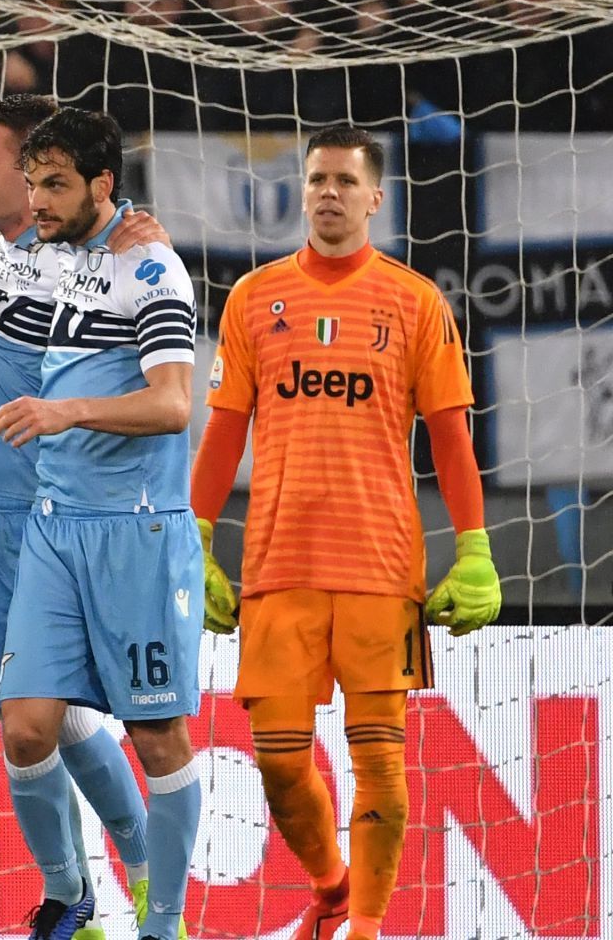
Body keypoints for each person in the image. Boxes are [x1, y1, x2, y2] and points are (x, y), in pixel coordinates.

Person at [192, 124, 499, 940]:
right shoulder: (256, 299)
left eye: (343, 181)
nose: (328, 192)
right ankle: (330, 884)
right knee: (282, 766)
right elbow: (223, 433)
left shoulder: (415, 301)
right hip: (276, 567)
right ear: (305, 190)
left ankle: (363, 926)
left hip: (381, 569)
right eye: (317, 178)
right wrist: (193, 538)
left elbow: (452, 437)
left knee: (381, 764)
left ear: (376, 198)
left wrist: (475, 549)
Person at [0, 97, 167, 940]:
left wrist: (141, 243)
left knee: (80, 713)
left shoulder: (121, 259)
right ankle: (76, 897)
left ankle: (129, 878)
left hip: (81, 515)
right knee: (33, 714)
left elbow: (163, 381)